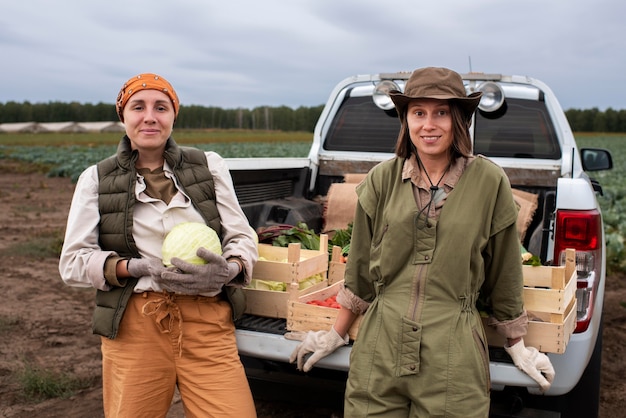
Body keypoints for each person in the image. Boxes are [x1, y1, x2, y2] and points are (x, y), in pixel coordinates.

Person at [289, 67, 555, 417]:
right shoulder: (382, 179)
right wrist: (335, 333)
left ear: (458, 119)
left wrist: (517, 345)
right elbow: (361, 269)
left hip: (453, 353)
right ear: (406, 121)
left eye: (441, 112)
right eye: (419, 113)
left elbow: (505, 271)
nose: (429, 125)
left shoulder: (488, 182)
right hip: (380, 348)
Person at [59, 73, 258, 418]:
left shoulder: (209, 166)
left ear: (173, 116)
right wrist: (130, 267)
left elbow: (242, 237)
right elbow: (73, 262)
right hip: (136, 326)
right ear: (123, 116)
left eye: (161, 107)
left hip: (208, 322)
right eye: (138, 106)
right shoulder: (96, 179)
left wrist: (231, 269)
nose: (150, 116)